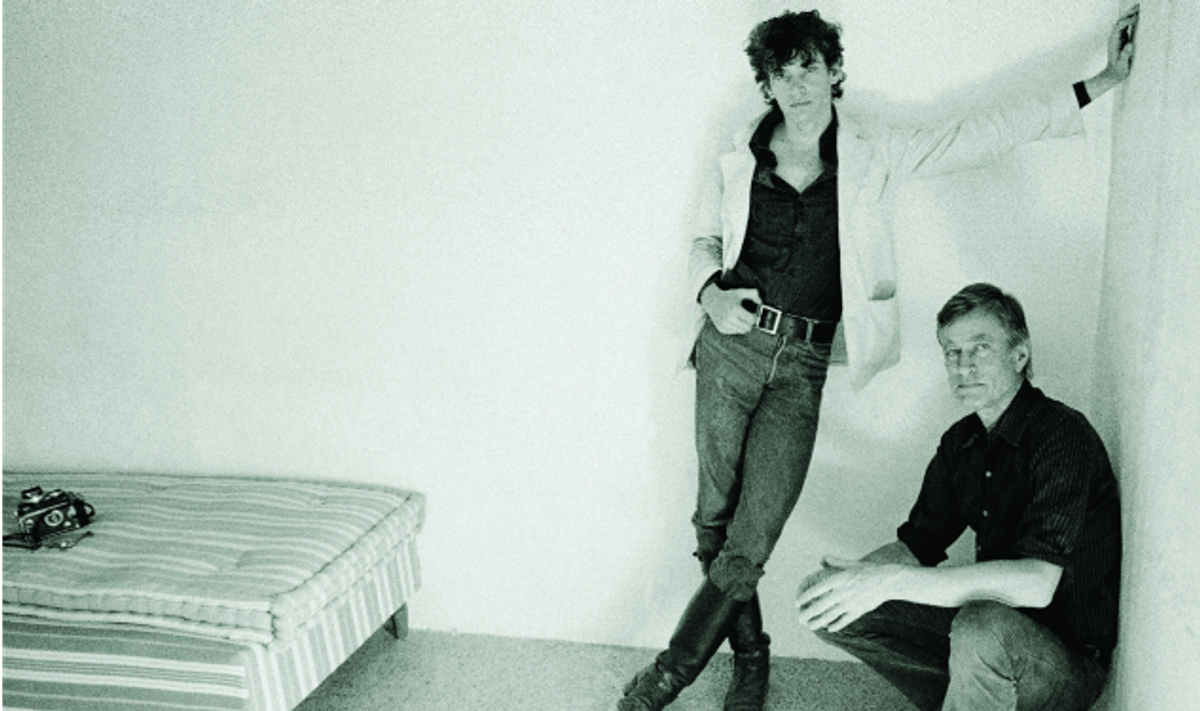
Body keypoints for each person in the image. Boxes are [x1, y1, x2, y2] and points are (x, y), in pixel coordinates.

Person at [618, 6, 1138, 711]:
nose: (797, 85)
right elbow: (705, 241)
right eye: (781, 73)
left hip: (802, 363)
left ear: (833, 71)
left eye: (809, 67)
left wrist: (1097, 82)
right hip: (729, 347)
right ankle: (751, 660)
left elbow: (975, 135)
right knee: (713, 521)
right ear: (766, 84)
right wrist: (710, 294)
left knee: (752, 531)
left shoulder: (873, 150)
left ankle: (668, 676)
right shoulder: (738, 149)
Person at [796, 283, 1121, 711]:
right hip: (986, 635)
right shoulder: (961, 442)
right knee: (827, 599)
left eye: (980, 348)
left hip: (1064, 662)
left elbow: (1037, 585)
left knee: (980, 625)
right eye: (952, 352)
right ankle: (968, 696)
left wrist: (891, 581)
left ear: (1020, 355)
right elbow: (916, 546)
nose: (964, 365)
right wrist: (860, 579)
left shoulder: (1062, 435)